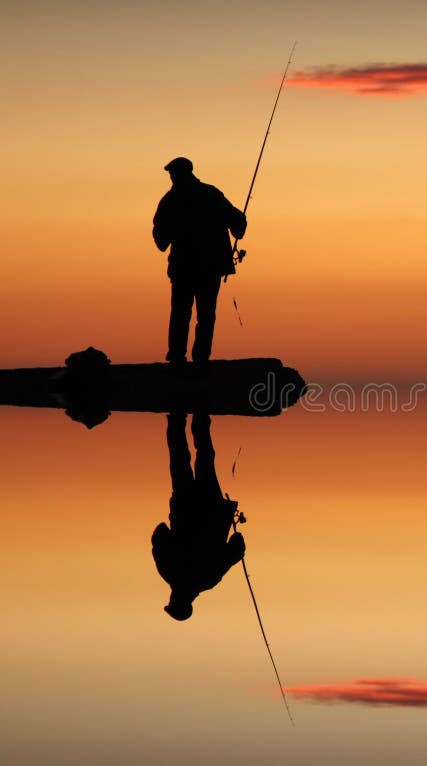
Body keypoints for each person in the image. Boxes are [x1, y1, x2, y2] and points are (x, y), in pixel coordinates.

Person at [152, 157, 247, 365]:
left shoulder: (170, 200)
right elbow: (238, 221)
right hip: (210, 267)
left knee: (180, 313)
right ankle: (201, 358)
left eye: (172, 174)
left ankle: (177, 357)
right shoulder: (211, 194)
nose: (171, 178)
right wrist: (238, 229)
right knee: (206, 314)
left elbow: (160, 240)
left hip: (183, 268)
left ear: (178, 174)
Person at [152, 412, 245, 620]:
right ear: (175, 600)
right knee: (179, 458)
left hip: (210, 507)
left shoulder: (208, 578)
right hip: (184, 505)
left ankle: (201, 414)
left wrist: (236, 537)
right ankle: (177, 417)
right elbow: (159, 534)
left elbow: (236, 550)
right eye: (172, 602)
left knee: (204, 457)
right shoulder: (168, 569)